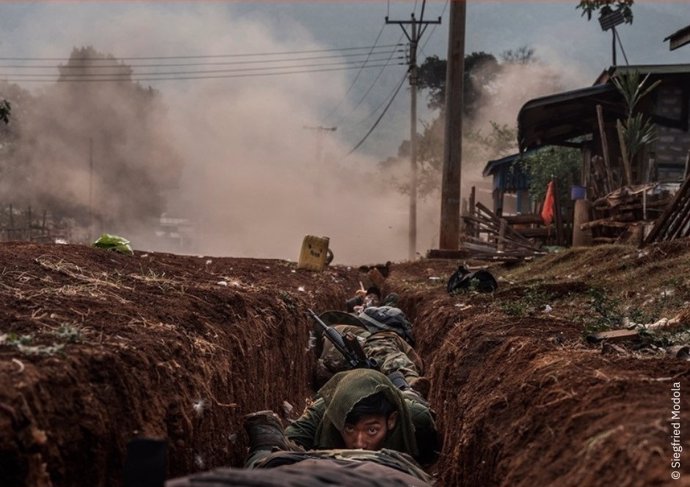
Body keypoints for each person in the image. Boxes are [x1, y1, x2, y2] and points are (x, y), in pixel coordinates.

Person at [284, 369, 440, 467]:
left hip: (406, 403)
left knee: (409, 397)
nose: (359, 444)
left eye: (372, 430)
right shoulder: (326, 412)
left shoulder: (417, 421)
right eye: (349, 429)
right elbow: (284, 444)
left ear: (391, 420)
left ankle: (409, 389)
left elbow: (429, 465)